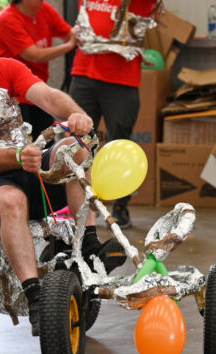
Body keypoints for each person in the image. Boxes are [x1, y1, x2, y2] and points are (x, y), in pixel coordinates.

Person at [0, 20, 124, 336]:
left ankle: (89, 246)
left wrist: (75, 115)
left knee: (75, 148)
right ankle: (35, 296)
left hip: (26, 164)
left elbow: (48, 97)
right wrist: (17, 155)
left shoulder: (3, 69)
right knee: (12, 199)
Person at [68, 0, 161, 229]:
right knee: (76, 141)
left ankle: (120, 206)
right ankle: (80, 207)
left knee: (120, 143)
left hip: (121, 79)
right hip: (84, 73)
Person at [0, 0, 77, 135]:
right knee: (21, 140)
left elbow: (69, 33)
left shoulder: (44, 9)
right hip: (11, 92)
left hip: (36, 87)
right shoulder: (8, 19)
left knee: (45, 138)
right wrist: (68, 46)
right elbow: (33, 55)